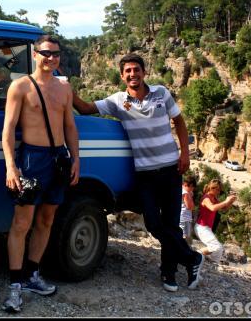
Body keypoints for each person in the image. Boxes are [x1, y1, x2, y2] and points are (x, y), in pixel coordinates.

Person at [73, 53, 204, 293]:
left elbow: (180, 122)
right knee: (154, 224)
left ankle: (169, 272)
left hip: (171, 170)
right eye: (128, 71)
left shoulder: (161, 93)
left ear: (144, 72)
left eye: (136, 69)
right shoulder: (117, 101)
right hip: (144, 174)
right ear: (122, 76)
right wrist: (63, 86)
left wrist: (185, 153)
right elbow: (84, 109)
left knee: (171, 225)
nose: (133, 74)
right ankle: (191, 258)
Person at [1, 34, 80, 313]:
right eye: (46, 53)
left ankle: (32, 274)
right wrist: (11, 165)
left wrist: (75, 160)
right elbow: (8, 129)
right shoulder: (20, 86)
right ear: (35, 55)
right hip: (32, 158)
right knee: (22, 222)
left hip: (58, 157)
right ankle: (15, 286)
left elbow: (70, 126)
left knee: (47, 219)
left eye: (56, 54)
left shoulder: (64, 88)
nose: (51, 58)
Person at [194, 179, 236, 263]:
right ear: (213, 188)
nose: (219, 192)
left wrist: (230, 202)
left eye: (220, 190)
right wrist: (226, 201)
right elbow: (212, 208)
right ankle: (195, 255)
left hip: (206, 228)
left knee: (218, 249)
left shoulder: (214, 198)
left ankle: (212, 263)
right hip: (201, 227)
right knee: (216, 247)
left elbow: (224, 209)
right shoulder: (206, 198)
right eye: (218, 189)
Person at [180, 175, 196, 244]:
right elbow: (190, 207)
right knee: (185, 236)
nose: (192, 189)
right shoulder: (186, 193)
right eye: (192, 187)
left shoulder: (183, 190)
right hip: (184, 217)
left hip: (183, 217)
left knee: (185, 235)